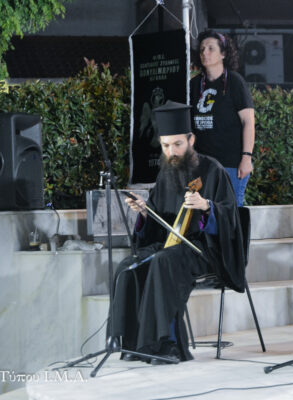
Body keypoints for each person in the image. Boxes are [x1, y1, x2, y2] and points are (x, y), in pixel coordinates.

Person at [110, 101, 245, 364]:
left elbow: (231, 217)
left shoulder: (213, 170)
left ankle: (168, 344)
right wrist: (145, 212)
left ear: (191, 140)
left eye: (177, 144)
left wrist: (207, 207)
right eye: (165, 145)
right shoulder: (165, 174)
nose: (171, 151)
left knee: (164, 262)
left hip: (204, 250)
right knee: (129, 266)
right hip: (171, 246)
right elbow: (160, 223)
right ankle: (134, 343)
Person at [190, 30, 255, 206]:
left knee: (229, 211)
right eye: (202, 49)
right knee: (200, 212)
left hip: (231, 164)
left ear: (224, 54)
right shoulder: (194, 85)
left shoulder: (235, 82)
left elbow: (248, 122)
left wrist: (246, 158)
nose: (205, 52)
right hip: (201, 164)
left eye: (211, 48)